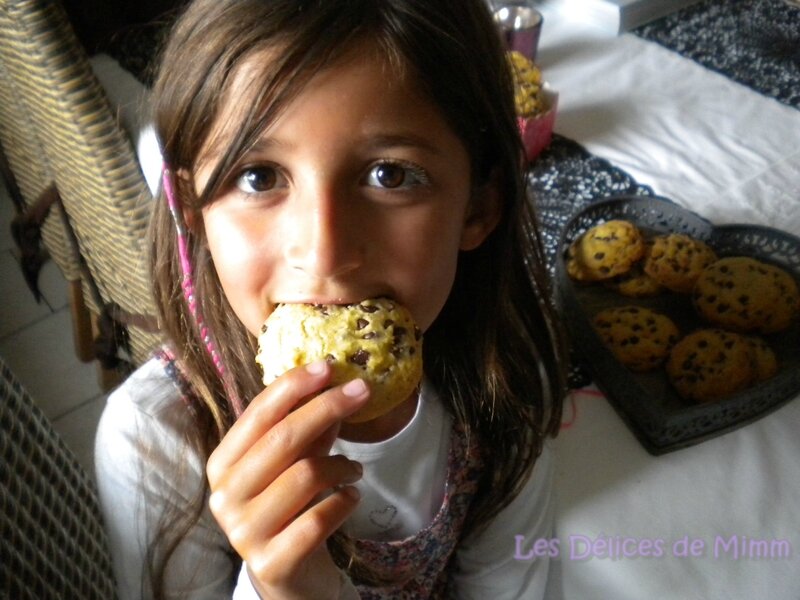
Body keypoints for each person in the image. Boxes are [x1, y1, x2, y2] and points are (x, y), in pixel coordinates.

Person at [94, 0, 568, 598]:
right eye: (258, 177)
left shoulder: (504, 383)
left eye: (390, 175)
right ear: (192, 208)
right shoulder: (157, 439)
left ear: (477, 205)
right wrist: (284, 588)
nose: (323, 253)